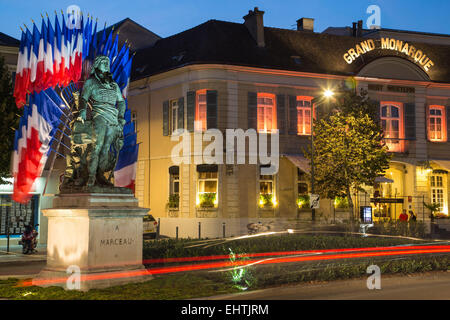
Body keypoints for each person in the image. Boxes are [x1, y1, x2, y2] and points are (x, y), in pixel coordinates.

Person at [78, 55, 126, 187]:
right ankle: (91, 176)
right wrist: (82, 111)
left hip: (113, 117)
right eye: (103, 62)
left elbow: (121, 102)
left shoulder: (114, 85)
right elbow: (83, 98)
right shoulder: (91, 82)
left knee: (106, 148)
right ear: (97, 64)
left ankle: (100, 174)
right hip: (99, 115)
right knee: (97, 146)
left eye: (107, 62)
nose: (105, 63)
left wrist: (121, 117)